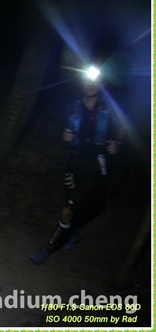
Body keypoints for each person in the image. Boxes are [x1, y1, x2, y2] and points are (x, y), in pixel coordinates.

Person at [29, 69, 123, 265]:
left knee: (69, 209)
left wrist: (118, 143)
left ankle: (49, 247)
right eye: (87, 81)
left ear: (101, 85)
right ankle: (74, 231)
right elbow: (65, 129)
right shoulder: (74, 105)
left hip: (96, 165)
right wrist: (64, 135)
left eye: (95, 81)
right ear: (82, 83)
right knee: (73, 203)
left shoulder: (109, 108)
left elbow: (123, 126)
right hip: (74, 163)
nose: (91, 85)